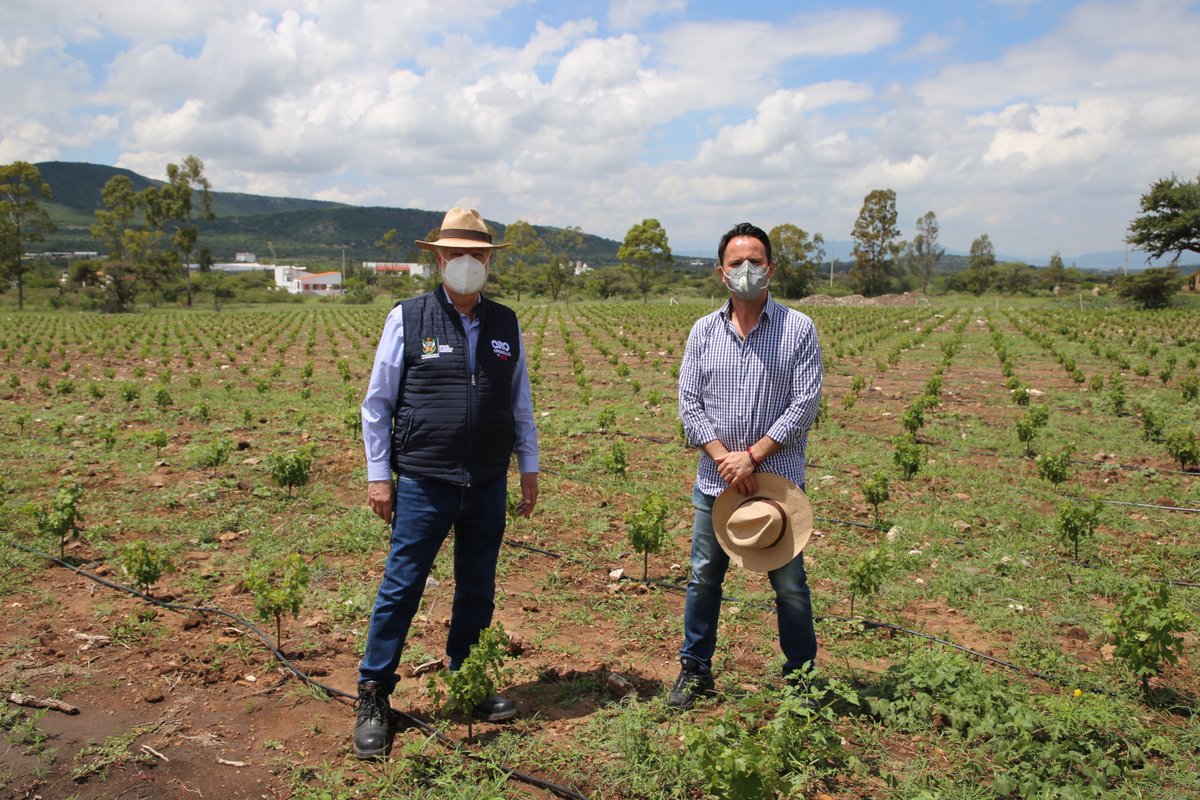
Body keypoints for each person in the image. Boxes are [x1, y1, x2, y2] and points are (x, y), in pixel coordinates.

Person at [353, 207, 539, 759]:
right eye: (456, 254)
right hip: (423, 482)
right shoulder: (408, 318)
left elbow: (519, 402)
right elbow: (377, 403)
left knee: (477, 586)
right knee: (402, 586)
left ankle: (467, 679)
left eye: (477, 255)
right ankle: (373, 692)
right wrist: (379, 476)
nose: (467, 263)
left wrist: (527, 466)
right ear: (438, 258)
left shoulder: (506, 324)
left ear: (488, 260)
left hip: (485, 482)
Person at [671, 221, 823, 708]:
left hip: (777, 486)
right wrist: (723, 458)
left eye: (755, 261)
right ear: (721, 273)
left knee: (791, 587)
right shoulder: (702, 332)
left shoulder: (798, 329)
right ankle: (695, 670)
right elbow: (689, 403)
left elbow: (805, 404)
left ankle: (800, 679)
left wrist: (753, 456)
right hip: (715, 484)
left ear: (771, 269)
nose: (746, 270)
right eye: (736, 263)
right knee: (703, 577)